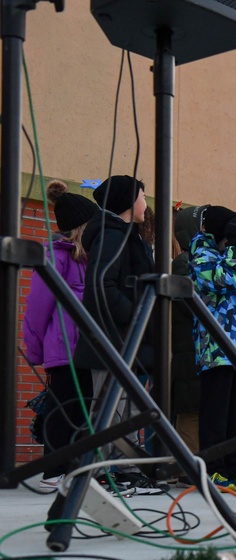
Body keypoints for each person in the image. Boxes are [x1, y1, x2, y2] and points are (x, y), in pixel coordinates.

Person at [74, 175, 163, 494]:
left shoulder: (127, 235)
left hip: (129, 341)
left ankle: (124, 471)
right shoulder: (112, 236)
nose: (146, 204)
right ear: (127, 201)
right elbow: (102, 285)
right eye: (142, 196)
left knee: (128, 409)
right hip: (113, 341)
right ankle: (102, 473)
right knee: (110, 407)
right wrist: (136, 315)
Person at [23, 181, 99, 491]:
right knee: (63, 404)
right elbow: (38, 307)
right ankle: (51, 470)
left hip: (90, 348)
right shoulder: (57, 256)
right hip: (64, 346)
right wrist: (36, 349)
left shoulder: (92, 259)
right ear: (82, 226)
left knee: (85, 407)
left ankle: (74, 468)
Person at [188, 206, 236, 492]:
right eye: (235, 230)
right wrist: (234, 247)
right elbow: (223, 280)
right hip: (218, 350)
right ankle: (214, 469)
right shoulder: (201, 252)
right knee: (216, 414)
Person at [170, 204, 205, 457]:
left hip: (199, 348)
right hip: (190, 348)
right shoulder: (184, 263)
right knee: (191, 410)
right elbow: (193, 305)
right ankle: (188, 461)